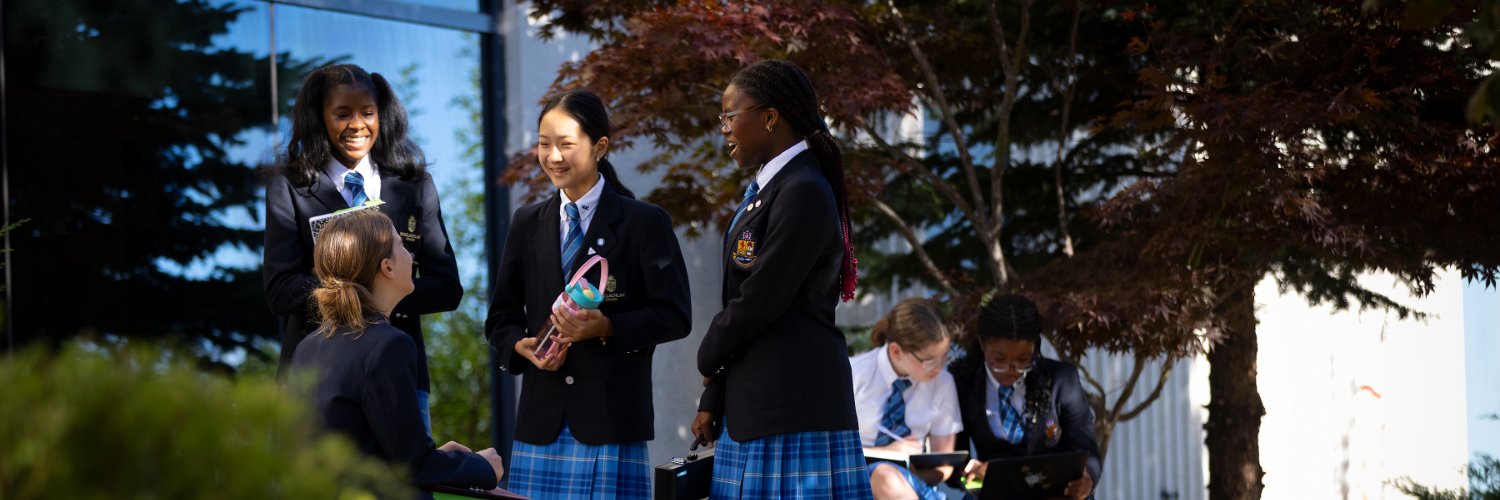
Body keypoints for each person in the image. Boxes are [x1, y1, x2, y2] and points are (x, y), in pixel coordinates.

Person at [485, 89, 692, 499]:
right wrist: (520, 348)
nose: (553, 157)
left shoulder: (644, 222)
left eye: (566, 144)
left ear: (600, 146)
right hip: (541, 423)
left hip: (610, 421)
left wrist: (607, 327)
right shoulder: (527, 222)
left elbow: (675, 315)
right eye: (544, 144)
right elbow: (500, 317)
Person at [691, 59, 871, 498]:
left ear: (770, 117)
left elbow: (760, 300)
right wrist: (714, 396)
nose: (724, 129)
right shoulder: (772, 187)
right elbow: (746, 304)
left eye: (730, 117)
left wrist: (707, 354)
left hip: (793, 409)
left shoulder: (803, 189)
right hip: (761, 404)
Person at [263, 63, 461, 433]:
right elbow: (279, 291)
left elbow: (448, 288)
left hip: (398, 374)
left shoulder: (414, 186)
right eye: (342, 114)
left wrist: (376, 290)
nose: (357, 125)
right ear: (319, 118)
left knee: (407, 470)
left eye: (367, 113)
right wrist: (368, 286)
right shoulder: (290, 188)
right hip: (316, 379)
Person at [288, 210, 503, 498]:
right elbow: (413, 466)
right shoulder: (388, 344)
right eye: (401, 245)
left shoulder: (307, 347)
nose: (411, 255)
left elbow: (366, 452)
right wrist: (483, 466)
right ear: (387, 267)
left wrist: (439, 457)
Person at [955, 294, 1101, 500]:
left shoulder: (1061, 379)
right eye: (999, 360)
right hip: (994, 494)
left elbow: (1087, 449)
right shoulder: (963, 384)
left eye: (1023, 360)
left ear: (1035, 348)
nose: (1011, 370)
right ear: (982, 344)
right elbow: (955, 466)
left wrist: (1087, 479)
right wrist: (973, 475)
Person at [850, 299, 963, 500]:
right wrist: (886, 453)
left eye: (945, 356)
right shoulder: (854, 373)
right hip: (854, 478)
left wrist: (908, 472)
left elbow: (944, 467)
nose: (938, 367)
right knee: (884, 475)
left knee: (888, 478)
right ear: (896, 351)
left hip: (911, 483)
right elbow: (825, 451)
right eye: (929, 361)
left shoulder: (943, 383)